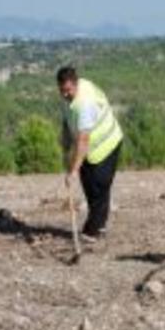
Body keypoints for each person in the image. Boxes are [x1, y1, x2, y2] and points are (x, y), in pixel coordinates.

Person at [57, 67, 124, 243]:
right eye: (62, 90)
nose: (65, 94)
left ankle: (92, 231)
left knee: (99, 187)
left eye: (68, 90)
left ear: (76, 84)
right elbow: (67, 119)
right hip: (91, 149)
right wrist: (65, 142)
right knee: (88, 184)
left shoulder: (84, 104)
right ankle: (99, 224)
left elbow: (83, 141)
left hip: (107, 145)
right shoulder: (70, 96)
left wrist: (72, 171)